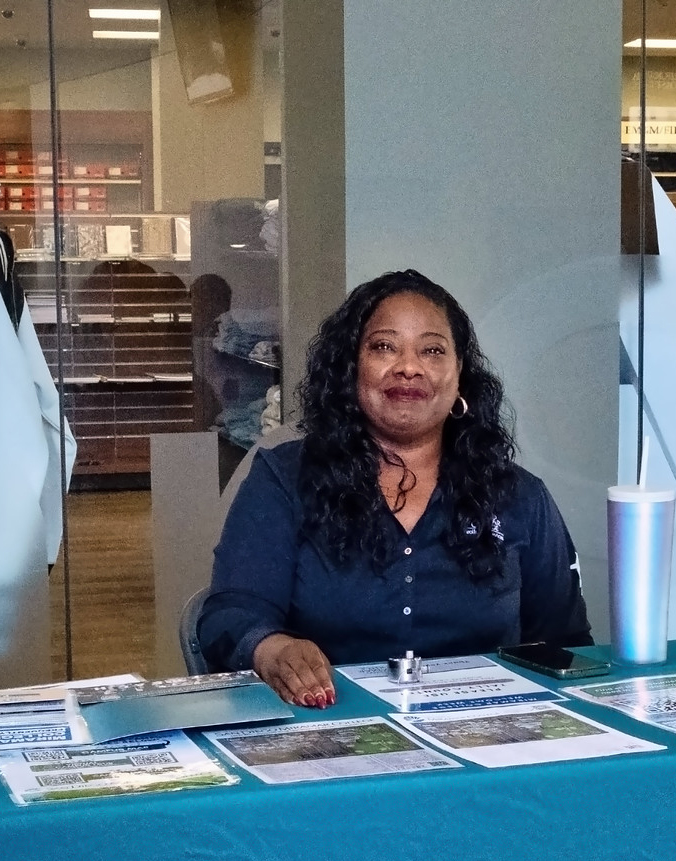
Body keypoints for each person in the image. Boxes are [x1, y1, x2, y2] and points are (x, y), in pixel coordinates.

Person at [198, 268, 591, 707]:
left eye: (433, 350)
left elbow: (567, 645)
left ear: (460, 374)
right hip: (327, 734)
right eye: (384, 346)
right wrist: (273, 649)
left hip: (486, 740)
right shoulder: (285, 477)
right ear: (352, 367)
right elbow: (230, 614)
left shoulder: (519, 497)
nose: (408, 367)